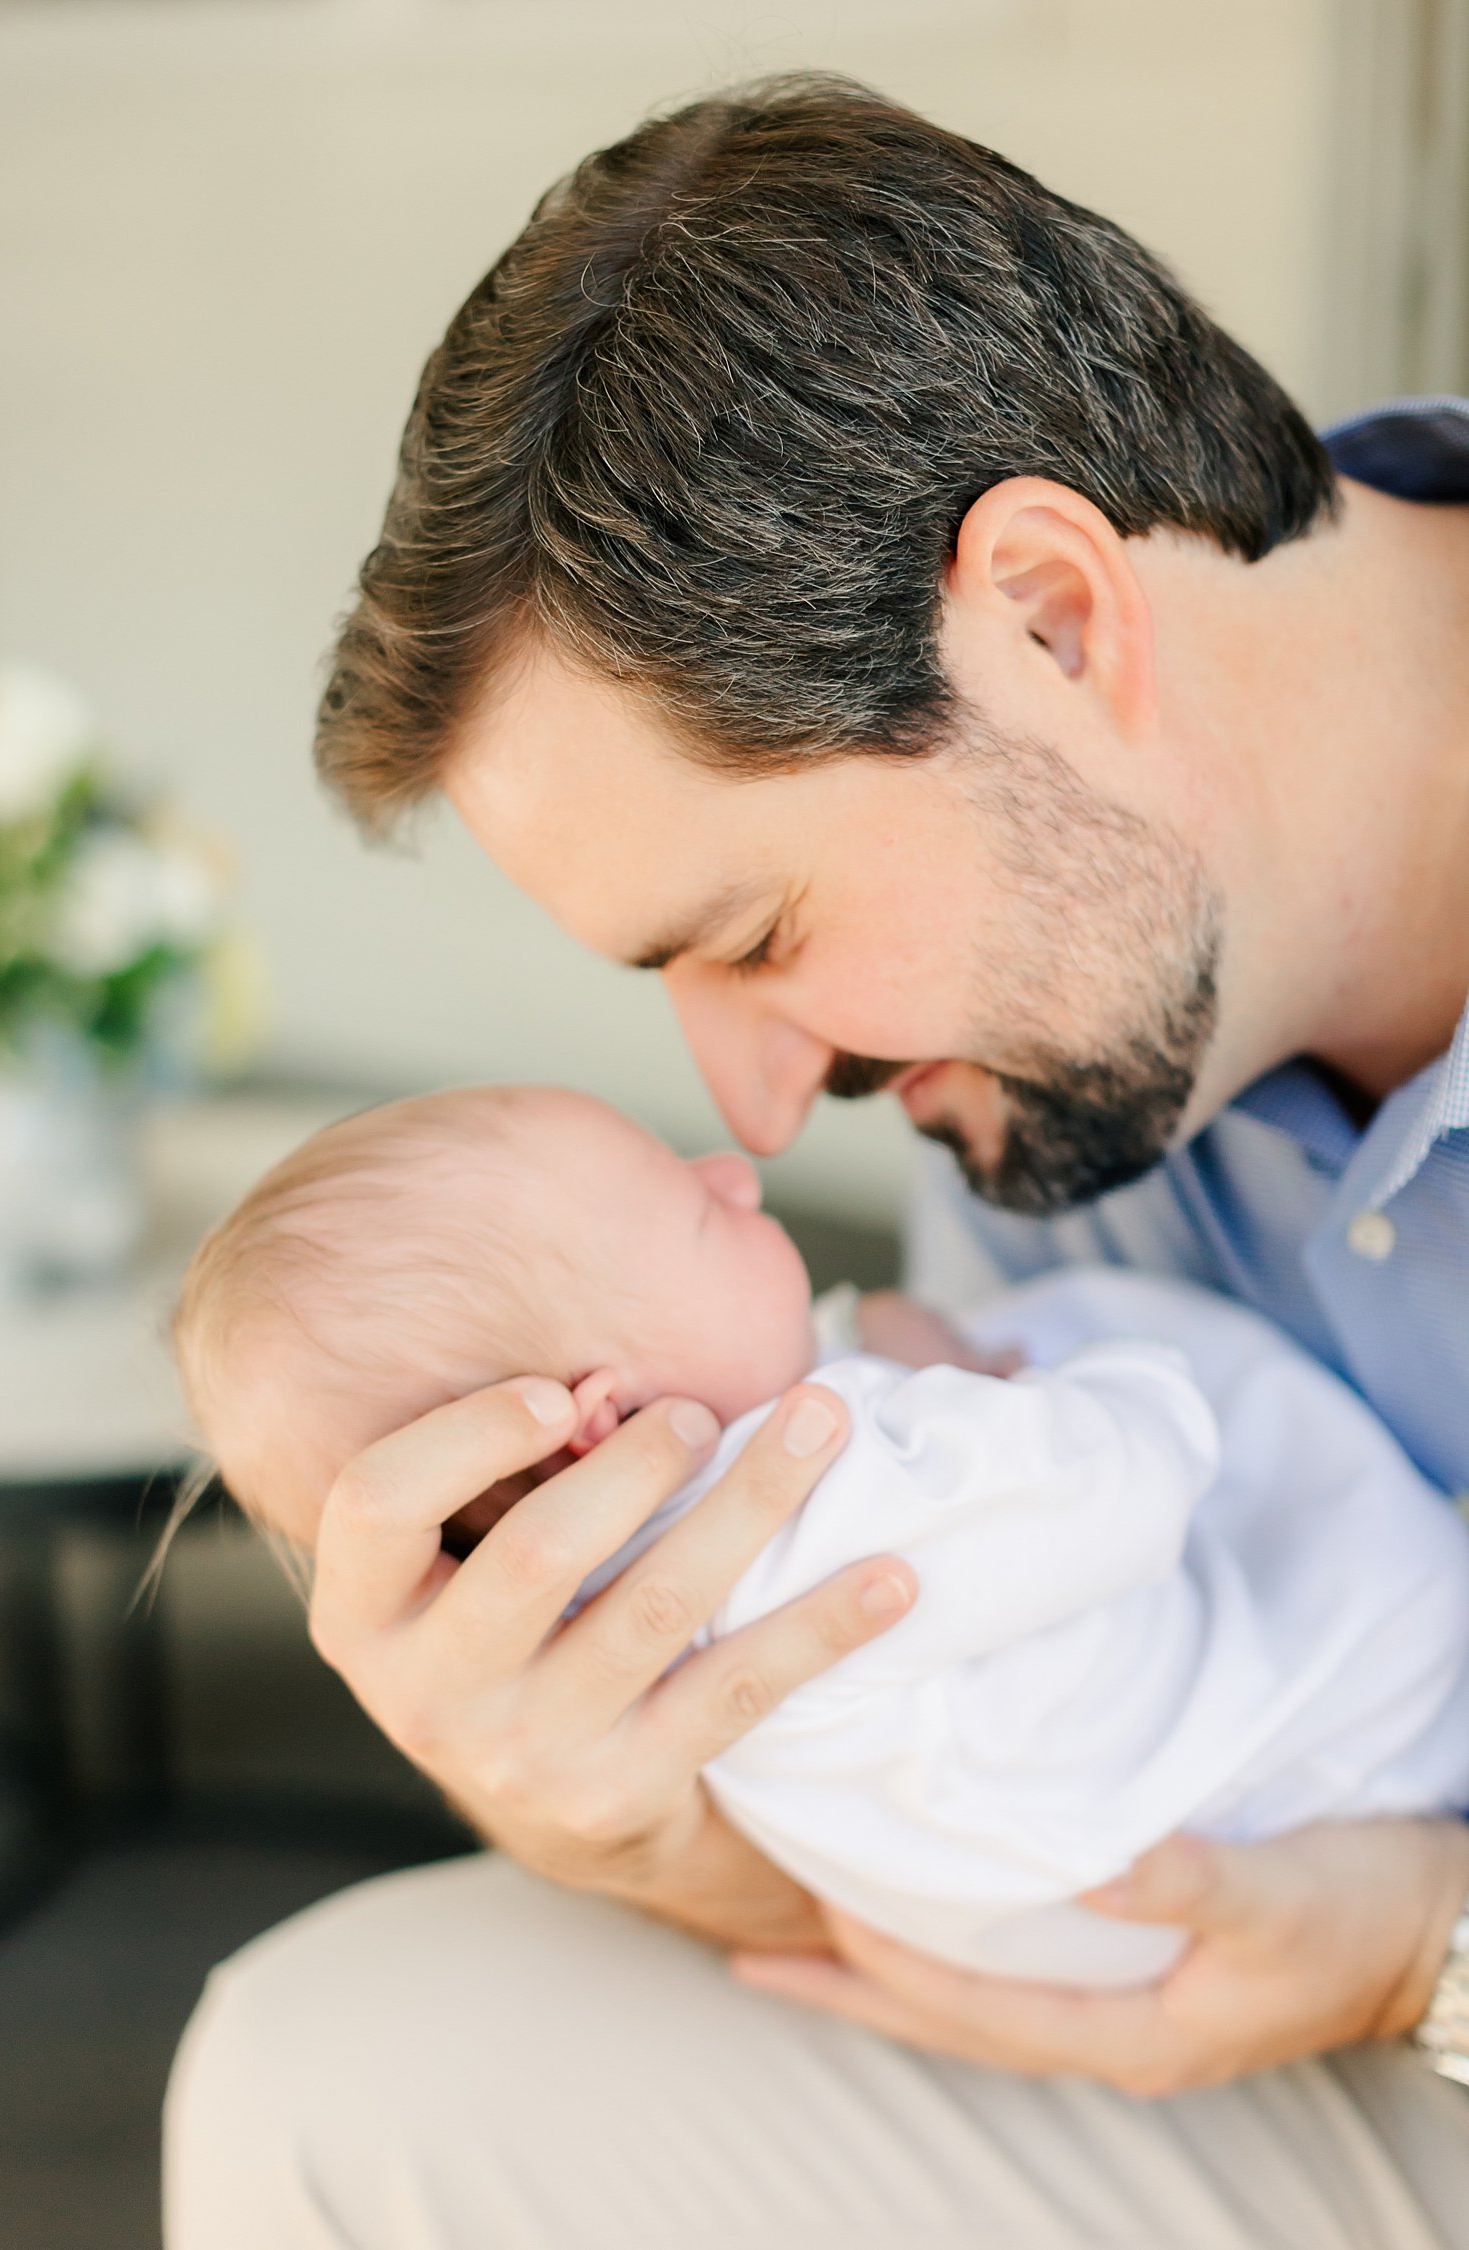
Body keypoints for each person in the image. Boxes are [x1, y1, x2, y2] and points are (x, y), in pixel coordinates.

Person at [164, 75, 1469, 2250]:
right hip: (1301, 1997)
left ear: (1050, 618)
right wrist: (648, 1799)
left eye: (760, 937)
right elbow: (1043, 1762)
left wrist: (1428, 1947)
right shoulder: (1085, 1047)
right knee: (338, 2076)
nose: (763, 1116)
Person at [172, 1084, 1469, 1990]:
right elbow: (1130, 1481)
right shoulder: (835, 1504)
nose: (734, 1169)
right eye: (687, 1205)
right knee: (1349, 1554)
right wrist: (1041, 1382)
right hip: (1295, 1781)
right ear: (600, 1420)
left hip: (1051, 1909)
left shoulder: (621, 1595)